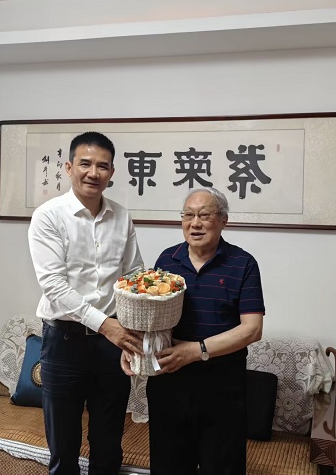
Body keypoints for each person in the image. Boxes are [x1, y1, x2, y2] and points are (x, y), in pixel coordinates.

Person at [123, 187, 265, 475]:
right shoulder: (167, 260)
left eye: (204, 215)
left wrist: (196, 350)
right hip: (169, 382)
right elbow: (152, 318)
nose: (195, 223)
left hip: (222, 384)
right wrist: (134, 347)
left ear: (223, 220)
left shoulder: (243, 263)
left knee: (222, 467)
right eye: (188, 215)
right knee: (168, 466)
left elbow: (252, 329)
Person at [28, 131, 145, 475]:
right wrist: (107, 325)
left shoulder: (121, 216)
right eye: (85, 164)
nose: (93, 173)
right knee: (64, 448)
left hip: (112, 346)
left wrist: (133, 329)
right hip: (65, 342)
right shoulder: (49, 216)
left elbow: (133, 275)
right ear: (69, 168)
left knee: (108, 445)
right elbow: (54, 286)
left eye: (102, 166)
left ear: (112, 172)